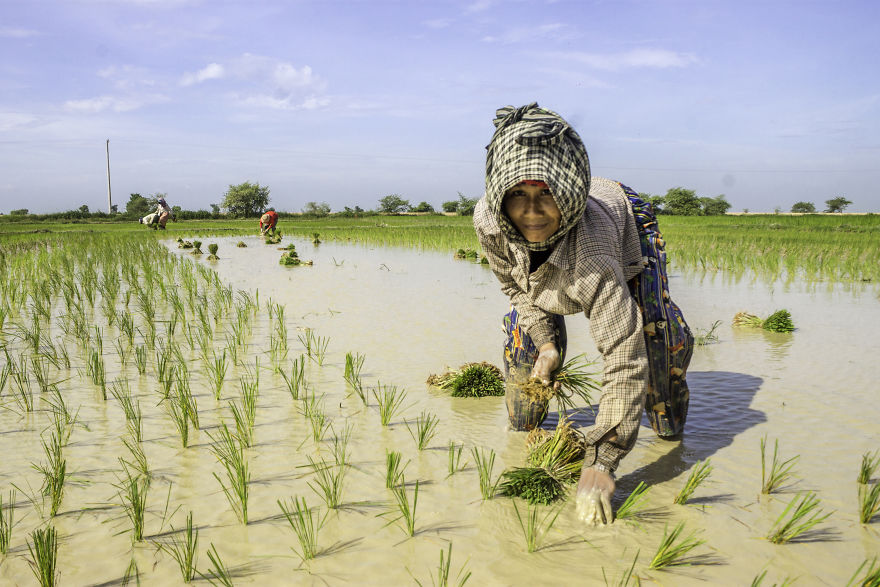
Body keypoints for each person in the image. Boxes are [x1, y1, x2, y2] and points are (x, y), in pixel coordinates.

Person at [474, 103, 693, 526]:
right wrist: (548, 345)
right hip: (544, 280)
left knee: (655, 349)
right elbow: (513, 286)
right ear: (501, 195)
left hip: (626, 229)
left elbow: (622, 356)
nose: (532, 212)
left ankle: (669, 425)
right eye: (518, 194)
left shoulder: (593, 258)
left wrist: (603, 461)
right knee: (524, 401)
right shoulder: (489, 221)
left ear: (569, 195)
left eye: (547, 194)